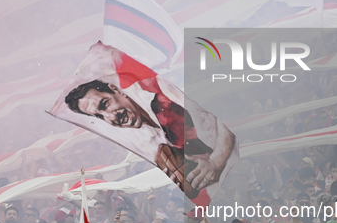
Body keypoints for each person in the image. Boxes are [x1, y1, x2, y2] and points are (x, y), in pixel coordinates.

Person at [64, 74, 236, 197]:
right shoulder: (152, 141)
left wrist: (216, 161)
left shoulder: (165, 101)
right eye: (99, 116)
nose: (110, 116)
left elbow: (222, 120)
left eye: (105, 104)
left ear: (116, 89)